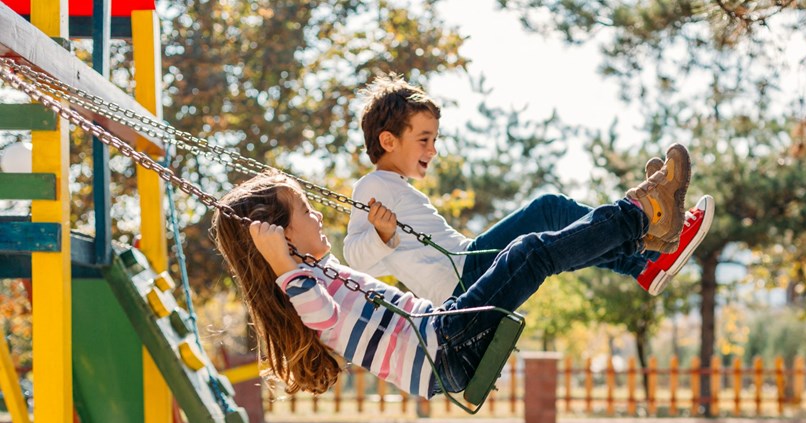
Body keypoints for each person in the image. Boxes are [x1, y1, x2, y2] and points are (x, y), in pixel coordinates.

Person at [211, 153, 695, 399]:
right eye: (305, 211)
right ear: (281, 236)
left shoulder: (313, 273)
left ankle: (642, 235)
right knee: (528, 253)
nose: (317, 217)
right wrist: (279, 263)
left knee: (530, 250)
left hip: (442, 333)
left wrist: (382, 237)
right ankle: (638, 217)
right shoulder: (301, 288)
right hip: (443, 347)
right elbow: (324, 314)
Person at [343, 74, 714, 303]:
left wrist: (384, 234)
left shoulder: (392, 185)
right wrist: (381, 233)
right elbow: (355, 260)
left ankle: (645, 261)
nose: (433, 149)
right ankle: (648, 250)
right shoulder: (372, 185)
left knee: (555, 229)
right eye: (424, 139)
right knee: (549, 209)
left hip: (465, 266)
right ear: (389, 141)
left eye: (435, 139)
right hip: (461, 279)